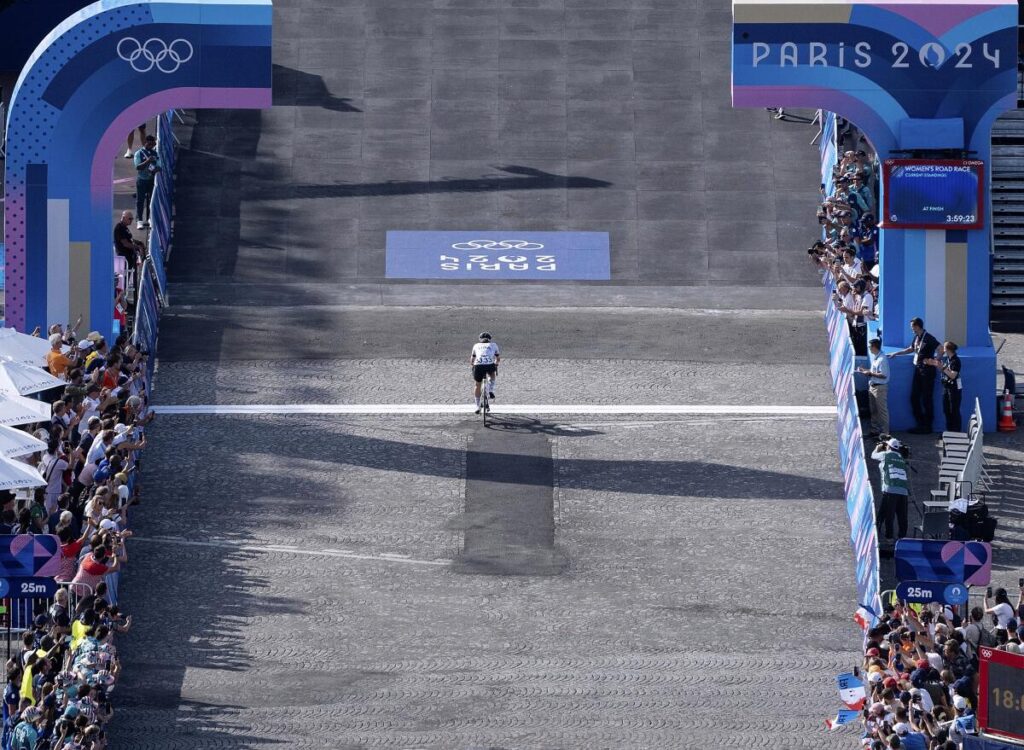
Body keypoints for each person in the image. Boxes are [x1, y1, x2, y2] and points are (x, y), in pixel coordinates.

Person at [889, 318, 940, 434]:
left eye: (912, 326)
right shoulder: (917, 337)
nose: (911, 329)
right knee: (914, 397)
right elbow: (911, 349)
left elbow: (941, 349)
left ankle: (928, 426)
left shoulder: (929, 337)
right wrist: (896, 353)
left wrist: (935, 361)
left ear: (917, 326)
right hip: (918, 369)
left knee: (927, 398)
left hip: (927, 371)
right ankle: (920, 423)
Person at [871, 437, 910, 540]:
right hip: (903, 490)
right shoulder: (902, 458)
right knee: (902, 516)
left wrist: (877, 448)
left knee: (889, 515)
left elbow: (873, 456)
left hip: (890, 489)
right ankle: (902, 537)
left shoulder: (885, 455)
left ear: (888, 446)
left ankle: (889, 537)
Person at [925, 342, 962, 433]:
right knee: (946, 410)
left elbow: (953, 375)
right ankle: (949, 430)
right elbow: (943, 370)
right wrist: (935, 364)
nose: (943, 350)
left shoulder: (955, 361)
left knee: (954, 410)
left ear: (948, 349)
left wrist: (942, 368)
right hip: (946, 387)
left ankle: (956, 431)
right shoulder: (948, 359)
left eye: (944, 348)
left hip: (954, 389)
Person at [857, 338, 890, 437]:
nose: (869, 348)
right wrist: (865, 370)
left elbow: (883, 375)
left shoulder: (882, 359)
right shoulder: (876, 357)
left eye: (869, 347)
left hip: (879, 388)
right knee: (874, 410)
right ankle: (874, 430)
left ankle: (885, 433)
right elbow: (875, 372)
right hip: (873, 387)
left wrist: (870, 373)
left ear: (874, 347)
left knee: (882, 411)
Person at [133, 134, 161, 230]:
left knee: (151, 200)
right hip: (141, 180)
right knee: (140, 201)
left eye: (153, 144)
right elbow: (138, 167)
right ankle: (139, 221)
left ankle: (150, 219)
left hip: (151, 180)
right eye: (149, 144)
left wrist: (154, 169)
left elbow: (159, 166)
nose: (151, 146)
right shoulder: (138, 153)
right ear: (145, 143)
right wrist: (148, 161)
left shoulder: (155, 153)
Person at [470, 332, 500, 414]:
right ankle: (490, 390)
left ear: (480, 339)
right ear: (490, 339)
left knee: (477, 385)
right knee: (492, 375)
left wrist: (473, 365)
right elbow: (498, 359)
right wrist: (496, 364)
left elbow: (472, 360)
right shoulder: (494, 345)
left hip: (478, 366)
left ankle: (477, 406)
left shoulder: (476, 345)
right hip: (489, 365)